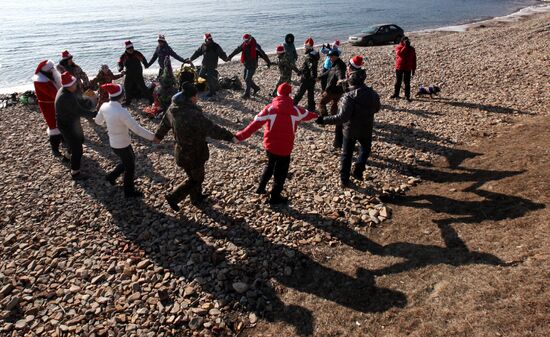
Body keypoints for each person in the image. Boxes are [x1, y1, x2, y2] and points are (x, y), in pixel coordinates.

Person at [154, 82, 237, 211]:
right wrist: (230, 137)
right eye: (196, 96)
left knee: (193, 175)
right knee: (197, 178)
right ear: (190, 98)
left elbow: (165, 123)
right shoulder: (191, 114)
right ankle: (173, 197)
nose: (197, 98)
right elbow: (211, 128)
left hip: (181, 151)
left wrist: (158, 136)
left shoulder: (173, 108)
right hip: (194, 152)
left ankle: (196, 198)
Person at [235, 83, 318, 204]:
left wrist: (239, 137)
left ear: (278, 93)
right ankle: (275, 197)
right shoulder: (296, 111)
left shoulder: (270, 108)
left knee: (270, 165)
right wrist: (318, 117)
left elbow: (254, 125)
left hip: (270, 146)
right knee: (281, 173)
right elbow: (309, 115)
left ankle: (261, 187)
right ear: (289, 94)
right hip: (285, 148)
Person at [316, 56, 381, 187]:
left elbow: (341, 118)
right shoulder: (372, 94)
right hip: (366, 128)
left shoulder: (348, 97)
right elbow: (377, 109)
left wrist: (323, 120)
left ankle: (344, 179)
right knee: (365, 149)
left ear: (350, 70)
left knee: (346, 155)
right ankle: (358, 168)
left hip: (350, 130)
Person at [94, 83, 155, 198]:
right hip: (122, 144)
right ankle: (129, 191)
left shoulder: (104, 106)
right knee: (130, 166)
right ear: (121, 95)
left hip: (114, 143)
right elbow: (136, 129)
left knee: (128, 160)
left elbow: (98, 121)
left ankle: (111, 177)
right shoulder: (122, 112)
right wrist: (153, 137)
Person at [55, 72, 97, 179]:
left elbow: (78, 100)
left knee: (80, 139)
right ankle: (75, 172)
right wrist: (95, 114)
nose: (76, 85)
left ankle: (67, 156)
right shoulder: (65, 97)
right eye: (74, 83)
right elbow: (79, 111)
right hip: (66, 125)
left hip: (72, 121)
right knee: (78, 149)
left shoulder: (66, 91)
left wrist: (86, 100)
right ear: (69, 85)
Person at [33, 60, 64, 157]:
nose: (53, 71)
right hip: (48, 107)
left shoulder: (49, 75)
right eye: (51, 69)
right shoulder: (40, 81)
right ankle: (54, 148)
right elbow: (53, 94)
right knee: (53, 126)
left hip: (57, 103)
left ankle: (63, 139)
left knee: (62, 122)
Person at [227, 34, 272, 99]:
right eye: (244, 40)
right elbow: (237, 50)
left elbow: (263, 54)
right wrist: (230, 56)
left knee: (248, 79)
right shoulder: (244, 44)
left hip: (253, 65)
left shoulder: (255, 46)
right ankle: (256, 88)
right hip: (246, 64)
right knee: (245, 78)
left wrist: (268, 62)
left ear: (250, 39)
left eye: (247, 40)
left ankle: (247, 94)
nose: (246, 42)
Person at [317, 49, 346, 148]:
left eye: (331, 56)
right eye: (329, 56)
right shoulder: (335, 64)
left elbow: (339, 74)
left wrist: (340, 79)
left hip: (332, 91)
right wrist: (319, 77)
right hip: (339, 92)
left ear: (336, 56)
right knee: (334, 105)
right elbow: (328, 72)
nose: (329, 58)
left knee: (321, 103)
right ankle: (334, 119)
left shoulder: (339, 66)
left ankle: (324, 119)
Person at [189, 33, 229, 97]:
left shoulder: (216, 46)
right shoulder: (203, 46)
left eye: (210, 39)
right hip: (204, 64)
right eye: (207, 39)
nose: (209, 40)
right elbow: (197, 53)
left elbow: (221, 53)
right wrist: (191, 59)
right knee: (201, 76)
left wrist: (226, 59)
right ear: (205, 40)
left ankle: (212, 92)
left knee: (210, 78)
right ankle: (213, 81)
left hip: (212, 65)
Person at [118, 40, 153, 106]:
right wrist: (120, 69)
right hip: (129, 73)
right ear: (126, 49)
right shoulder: (123, 56)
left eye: (132, 48)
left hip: (138, 72)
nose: (131, 50)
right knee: (127, 87)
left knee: (142, 86)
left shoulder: (137, 53)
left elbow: (143, 58)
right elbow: (119, 63)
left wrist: (145, 64)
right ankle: (128, 101)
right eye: (129, 48)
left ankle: (151, 99)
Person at [293, 37, 320, 112]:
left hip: (306, 78)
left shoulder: (308, 56)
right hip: (311, 78)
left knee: (300, 92)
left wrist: (311, 75)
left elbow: (310, 66)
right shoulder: (315, 53)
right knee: (311, 94)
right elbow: (307, 66)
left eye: (305, 47)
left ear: (308, 47)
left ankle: (293, 104)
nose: (304, 48)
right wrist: (300, 71)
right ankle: (311, 108)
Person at [390, 36, 417, 102]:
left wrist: (413, 69)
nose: (406, 42)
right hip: (399, 67)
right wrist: (405, 47)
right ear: (402, 41)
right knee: (398, 82)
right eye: (405, 41)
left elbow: (414, 59)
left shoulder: (412, 49)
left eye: (407, 41)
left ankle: (407, 96)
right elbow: (400, 54)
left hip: (408, 68)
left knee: (407, 83)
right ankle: (396, 94)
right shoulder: (398, 47)